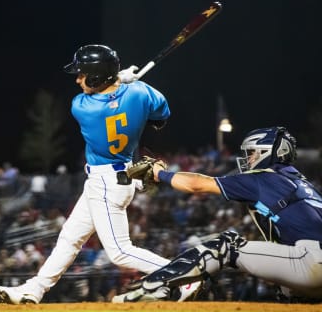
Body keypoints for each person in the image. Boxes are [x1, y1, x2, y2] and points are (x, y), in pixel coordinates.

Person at [0, 44, 201, 304]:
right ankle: (33, 289)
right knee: (70, 237)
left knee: (119, 252)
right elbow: (161, 116)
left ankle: (185, 274)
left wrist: (120, 80)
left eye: (82, 75)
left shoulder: (82, 107)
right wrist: (126, 84)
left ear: (96, 77)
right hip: (116, 177)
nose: (78, 80)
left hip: (107, 183)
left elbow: (103, 99)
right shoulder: (141, 92)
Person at [113, 126, 322, 302]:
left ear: (266, 152)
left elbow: (197, 184)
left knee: (227, 245)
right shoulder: (303, 185)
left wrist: (159, 173)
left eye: (251, 153)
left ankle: (148, 290)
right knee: (285, 291)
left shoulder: (263, 179)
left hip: (312, 261)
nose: (247, 159)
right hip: (312, 263)